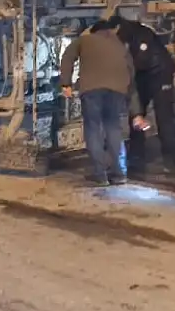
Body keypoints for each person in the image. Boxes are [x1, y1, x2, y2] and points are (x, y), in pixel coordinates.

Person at [59, 19, 145, 186]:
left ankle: (100, 174)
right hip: (117, 91)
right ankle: (118, 174)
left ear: (93, 31)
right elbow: (131, 75)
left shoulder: (84, 40)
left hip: (92, 90)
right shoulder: (120, 45)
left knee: (93, 129)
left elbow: (68, 56)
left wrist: (66, 83)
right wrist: (136, 110)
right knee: (113, 128)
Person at [110, 15, 175, 174]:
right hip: (148, 76)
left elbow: (139, 60)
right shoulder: (133, 33)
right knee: (139, 115)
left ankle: (167, 160)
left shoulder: (138, 36)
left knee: (163, 118)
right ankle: (140, 158)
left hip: (159, 75)